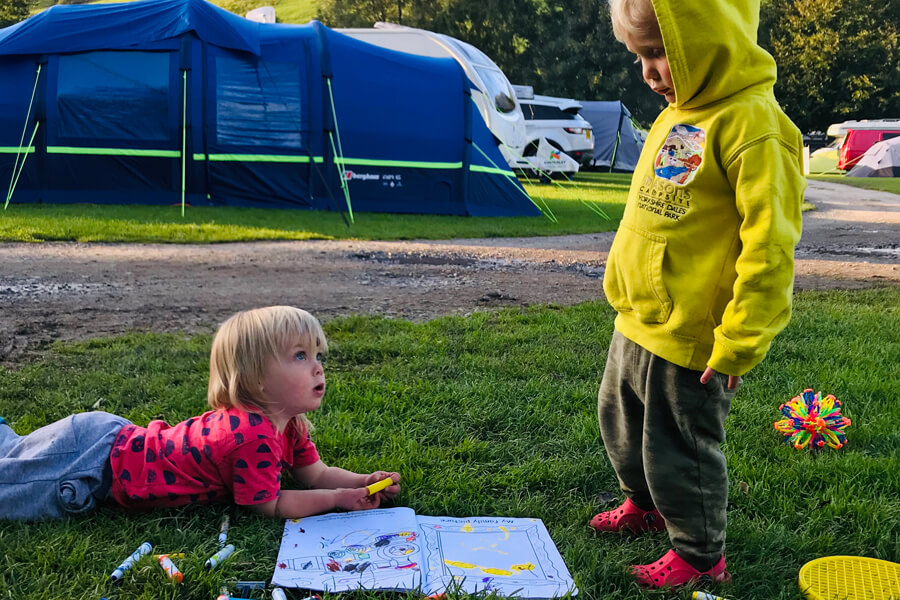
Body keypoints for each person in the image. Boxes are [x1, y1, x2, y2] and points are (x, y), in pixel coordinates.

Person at [590, 0, 804, 589]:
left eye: (659, 53)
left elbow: (770, 247)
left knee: (680, 449)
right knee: (622, 427)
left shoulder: (755, 127)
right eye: (639, 56)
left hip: (692, 337)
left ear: (706, 39)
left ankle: (698, 554)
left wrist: (738, 339)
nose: (649, 72)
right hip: (637, 319)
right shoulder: (678, 114)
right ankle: (644, 504)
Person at [0, 306, 401, 521]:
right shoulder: (254, 435)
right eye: (300, 356)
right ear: (257, 380)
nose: (318, 367)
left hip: (114, 440)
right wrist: (336, 500)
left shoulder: (289, 423)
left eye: (317, 355)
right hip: (97, 462)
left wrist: (364, 482)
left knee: (16, 451)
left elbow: (314, 474)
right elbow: (268, 505)